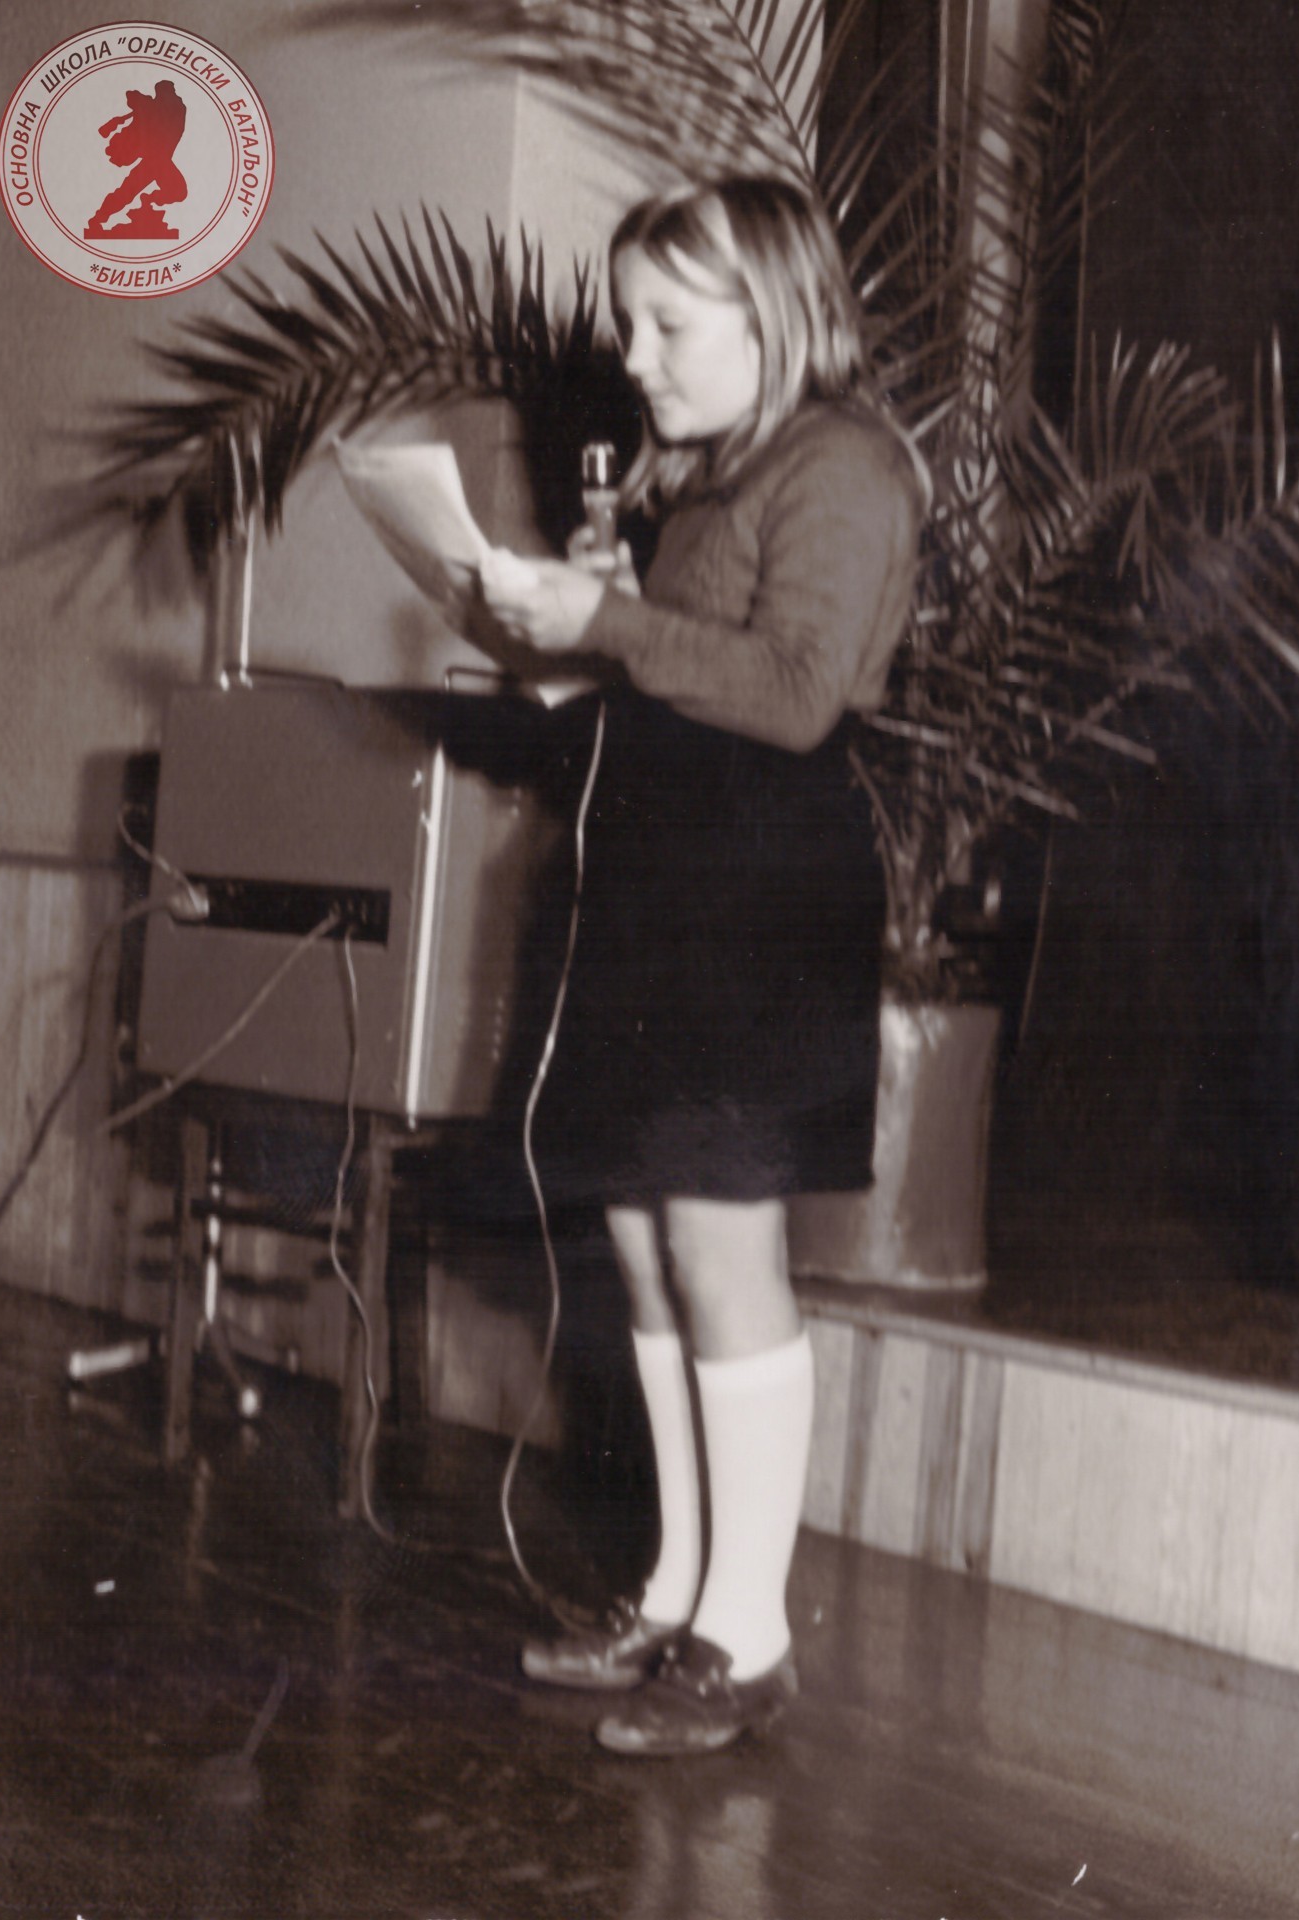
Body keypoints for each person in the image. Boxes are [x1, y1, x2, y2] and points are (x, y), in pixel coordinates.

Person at [478, 174, 926, 1758]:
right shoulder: (703, 473)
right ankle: (679, 1592)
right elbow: (683, 678)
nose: (635, 355)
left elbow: (797, 696)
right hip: (665, 891)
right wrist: (583, 627)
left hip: (759, 901)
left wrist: (606, 622)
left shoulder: (843, 462)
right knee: (650, 1241)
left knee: (725, 1254)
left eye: (668, 324)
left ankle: (747, 1636)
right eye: (628, 322)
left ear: (776, 314)